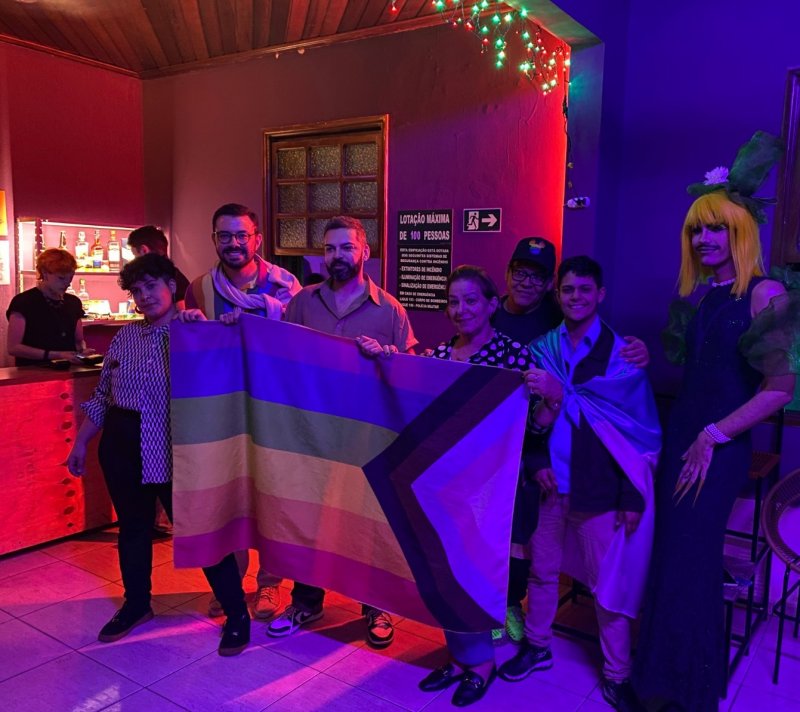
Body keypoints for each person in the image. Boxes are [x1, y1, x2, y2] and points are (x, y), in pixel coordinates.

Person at [634, 132, 797, 712]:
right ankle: (659, 685)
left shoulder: (765, 292)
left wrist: (715, 434)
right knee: (671, 559)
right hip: (684, 439)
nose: (703, 239)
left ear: (740, 231)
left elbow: (781, 388)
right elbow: (702, 377)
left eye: (715, 229)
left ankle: (684, 694)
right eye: (695, 231)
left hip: (717, 449)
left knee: (691, 560)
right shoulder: (707, 296)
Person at [498, 256, 661, 712]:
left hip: (600, 489)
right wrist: (535, 464)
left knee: (608, 586)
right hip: (550, 486)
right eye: (568, 290)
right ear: (558, 294)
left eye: (584, 289)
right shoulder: (542, 349)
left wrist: (631, 496)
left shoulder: (622, 355)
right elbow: (525, 421)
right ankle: (537, 645)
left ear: (600, 294)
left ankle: (617, 674)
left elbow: (638, 437)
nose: (575, 297)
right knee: (542, 571)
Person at [66, 253, 250, 656]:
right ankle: (136, 604)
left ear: (170, 286)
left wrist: (214, 329)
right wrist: (81, 442)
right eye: (136, 290)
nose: (144, 296)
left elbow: (228, 377)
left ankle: (237, 613)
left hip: (175, 445)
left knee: (199, 527)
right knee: (133, 528)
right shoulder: (125, 337)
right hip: (122, 441)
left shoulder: (194, 332)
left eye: (151, 286)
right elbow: (103, 395)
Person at [267, 215, 418, 648]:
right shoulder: (303, 302)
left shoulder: (390, 310)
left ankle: (376, 606)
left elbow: (409, 371)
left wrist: (388, 355)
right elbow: (281, 356)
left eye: (346, 247)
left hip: (365, 437)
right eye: (330, 248)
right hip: (311, 433)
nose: (337, 256)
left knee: (369, 524)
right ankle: (306, 602)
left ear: (364, 252)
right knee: (309, 519)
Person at [418, 265, 559, 707]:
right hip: (444, 484)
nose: (461, 309)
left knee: (474, 574)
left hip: (490, 489)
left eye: (471, 300)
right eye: (453, 301)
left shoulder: (515, 357)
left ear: (492, 305)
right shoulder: (440, 356)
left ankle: (481, 663)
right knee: (443, 572)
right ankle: (458, 657)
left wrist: (552, 398)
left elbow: (533, 429)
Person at [186, 203, 301, 621]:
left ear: (257, 239)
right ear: (213, 239)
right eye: (225, 235)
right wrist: (190, 322)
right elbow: (193, 351)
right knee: (230, 498)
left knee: (272, 498)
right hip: (224, 409)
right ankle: (231, 585)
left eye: (241, 235)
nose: (233, 243)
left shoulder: (286, 285)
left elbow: (298, 344)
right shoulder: (200, 288)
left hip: (273, 405)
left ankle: (270, 584)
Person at [7, 248, 92, 365]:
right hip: (32, 370)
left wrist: (82, 351)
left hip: (68, 369)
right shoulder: (23, 302)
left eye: (70, 278)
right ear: (44, 273)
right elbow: (13, 347)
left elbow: (78, 340)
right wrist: (56, 355)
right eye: (61, 278)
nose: (67, 283)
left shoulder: (73, 302)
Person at [127, 225, 190, 306]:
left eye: (135, 255)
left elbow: (181, 311)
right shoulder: (174, 276)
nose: (144, 297)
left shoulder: (170, 279)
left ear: (144, 250)